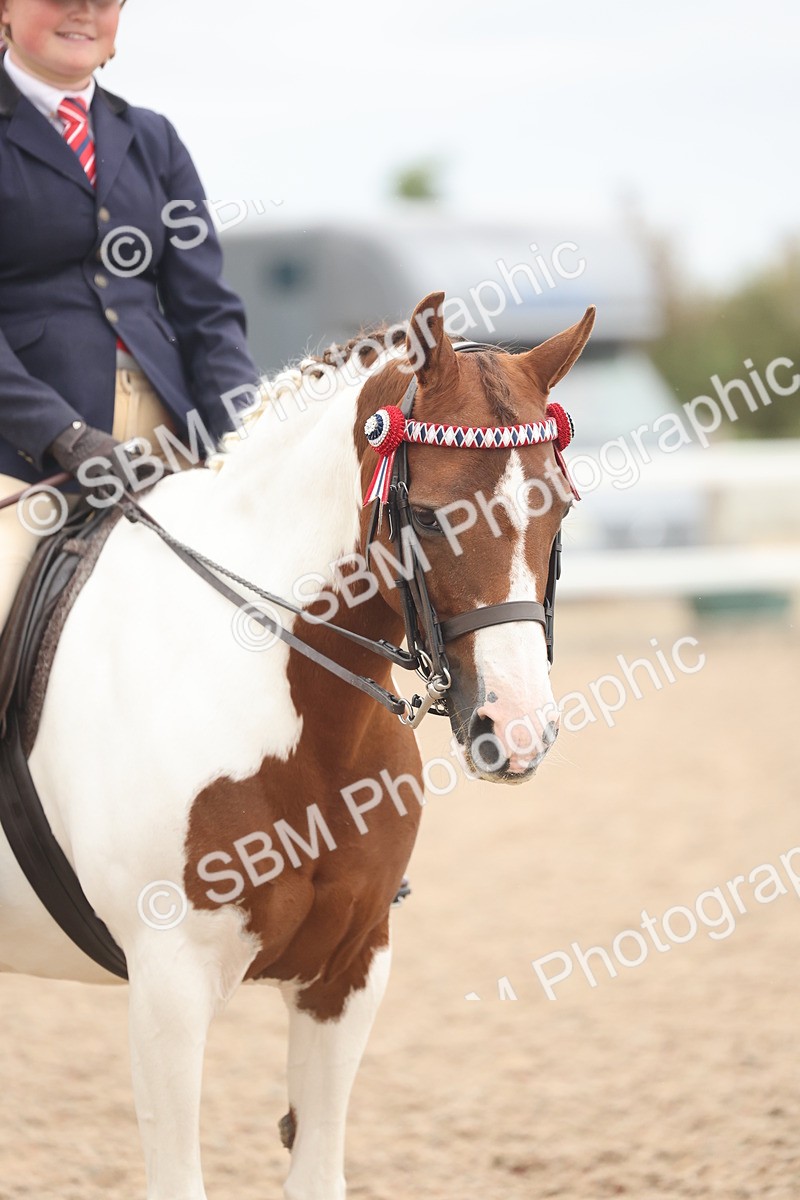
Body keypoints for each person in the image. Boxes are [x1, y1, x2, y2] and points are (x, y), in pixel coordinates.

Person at [0, 0, 261, 628]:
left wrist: (248, 435)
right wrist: (62, 435)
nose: (83, 11)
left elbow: (208, 311)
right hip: (21, 453)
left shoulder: (154, 139)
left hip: (169, 437)